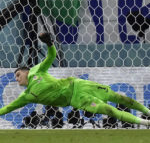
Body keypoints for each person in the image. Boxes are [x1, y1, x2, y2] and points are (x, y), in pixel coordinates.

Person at [1, 32, 150, 126]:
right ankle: (144, 122)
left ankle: (147, 111)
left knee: (119, 97)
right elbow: (8, 108)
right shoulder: (26, 96)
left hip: (80, 84)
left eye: (18, 74)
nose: (17, 79)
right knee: (108, 109)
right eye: (15, 77)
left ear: (26, 72)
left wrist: (49, 43)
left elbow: (51, 56)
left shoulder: (36, 71)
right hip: (76, 100)